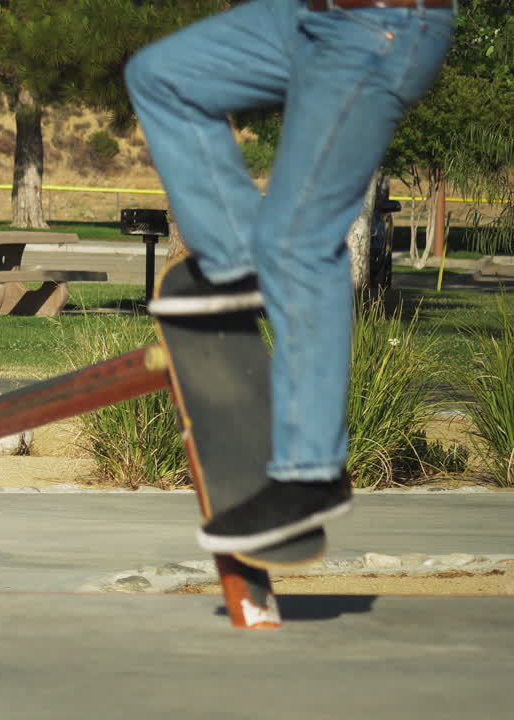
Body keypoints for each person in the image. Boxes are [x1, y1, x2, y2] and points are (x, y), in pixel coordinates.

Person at [124, 0, 456, 552]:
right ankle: (235, 261)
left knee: (299, 242)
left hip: (381, 27)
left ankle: (311, 474)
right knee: (162, 75)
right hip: (302, 18)